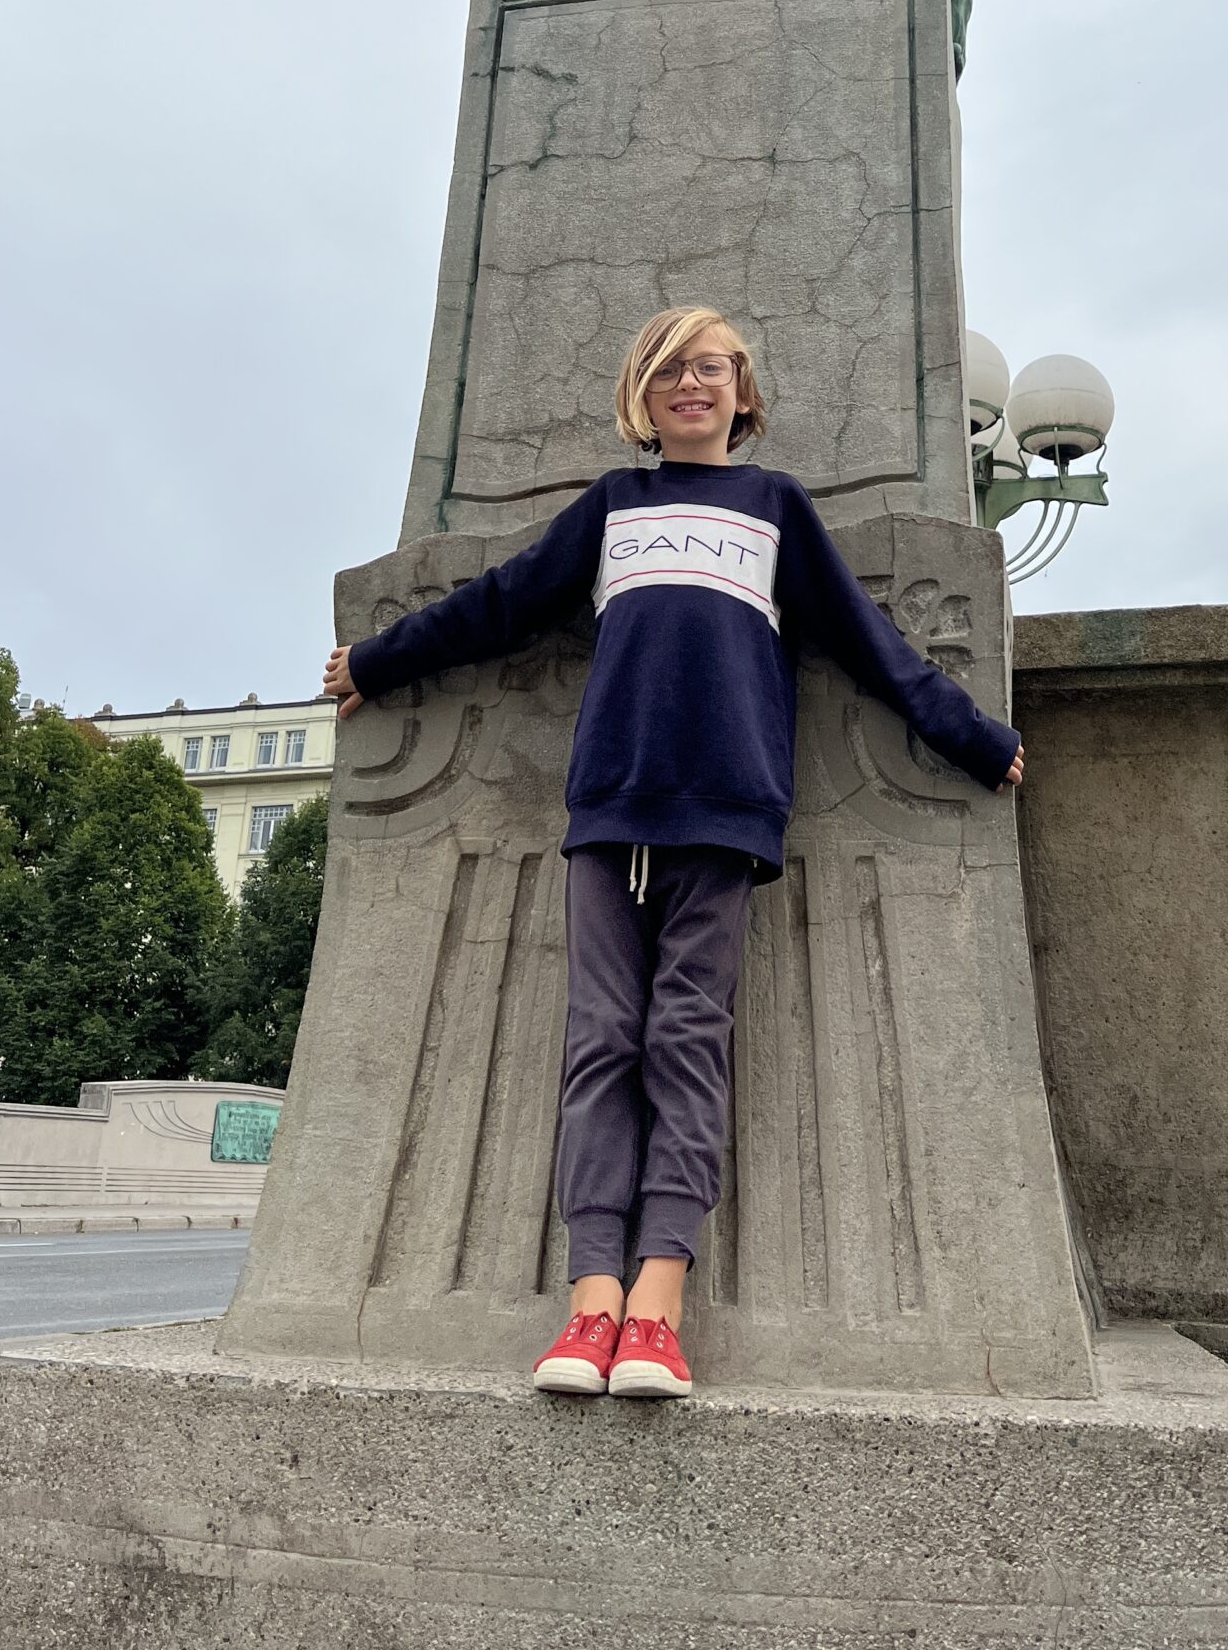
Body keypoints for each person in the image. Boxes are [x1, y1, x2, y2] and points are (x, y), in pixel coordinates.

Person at [323, 305, 1024, 1402]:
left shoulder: (775, 507)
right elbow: (502, 603)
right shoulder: (616, 506)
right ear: (641, 399)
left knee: (687, 1038)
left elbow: (868, 644)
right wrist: (379, 657)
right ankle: (591, 1295)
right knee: (602, 1039)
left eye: (708, 368)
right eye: (665, 373)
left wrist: (974, 737)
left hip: (729, 810)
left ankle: (658, 1302)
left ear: (742, 390)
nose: (688, 385)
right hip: (611, 808)